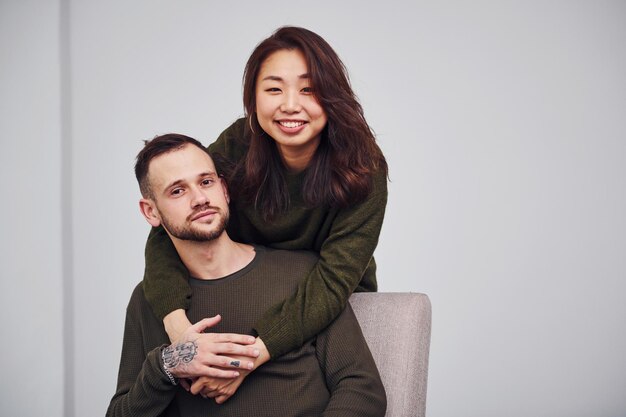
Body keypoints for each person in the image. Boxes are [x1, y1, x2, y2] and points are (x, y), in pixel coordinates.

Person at [143, 26, 388, 398]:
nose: (290, 105)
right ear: (253, 99)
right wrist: (178, 329)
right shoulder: (240, 143)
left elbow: (333, 281)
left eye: (308, 89)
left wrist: (247, 358)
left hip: (329, 302)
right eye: (274, 89)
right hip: (252, 289)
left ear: (333, 96)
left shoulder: (363, 167)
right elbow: (171, 223)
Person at [106, 134, 386, 417]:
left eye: (206, 182)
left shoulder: (305, 276)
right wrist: (168, 363)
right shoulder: (148, 300)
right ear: (150, 212)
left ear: (224, 189)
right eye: (177, 191)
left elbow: (362, 390)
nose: (200, 199)